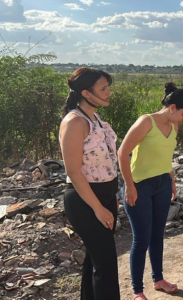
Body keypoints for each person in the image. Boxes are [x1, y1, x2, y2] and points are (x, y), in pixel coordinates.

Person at [118, 83, 183, 299]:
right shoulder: (146, 122)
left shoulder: (174, 127)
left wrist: (171, 178)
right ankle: (137, 291)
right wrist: (130, 186)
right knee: (141, 239)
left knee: (157, 236)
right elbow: (123, 153)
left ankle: (158, 279)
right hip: (139, 186)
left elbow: (164, 156)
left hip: (161, 185)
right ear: (172, 107)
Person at [59, 67, 120, 299]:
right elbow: (73, 171)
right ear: (86, 93)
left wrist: (110, 197)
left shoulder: (95, 118)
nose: (108, 92)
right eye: (103, 88)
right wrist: (97, 207)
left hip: (104, 196)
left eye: (108, 87)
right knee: (105, 264)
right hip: (85, 200)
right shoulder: (75, 122)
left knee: (96, 260)